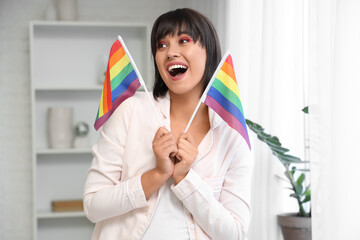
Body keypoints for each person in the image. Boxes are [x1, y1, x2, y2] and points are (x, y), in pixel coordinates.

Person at [83, 8, 253, 240]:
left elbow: (235, 234)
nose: (170, 52)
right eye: (161, 45)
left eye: (184, 41)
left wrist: (186, 179)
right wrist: (157, 174)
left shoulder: (232, 133)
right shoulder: (130, 110)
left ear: (209, 52)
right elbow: (93, 205)